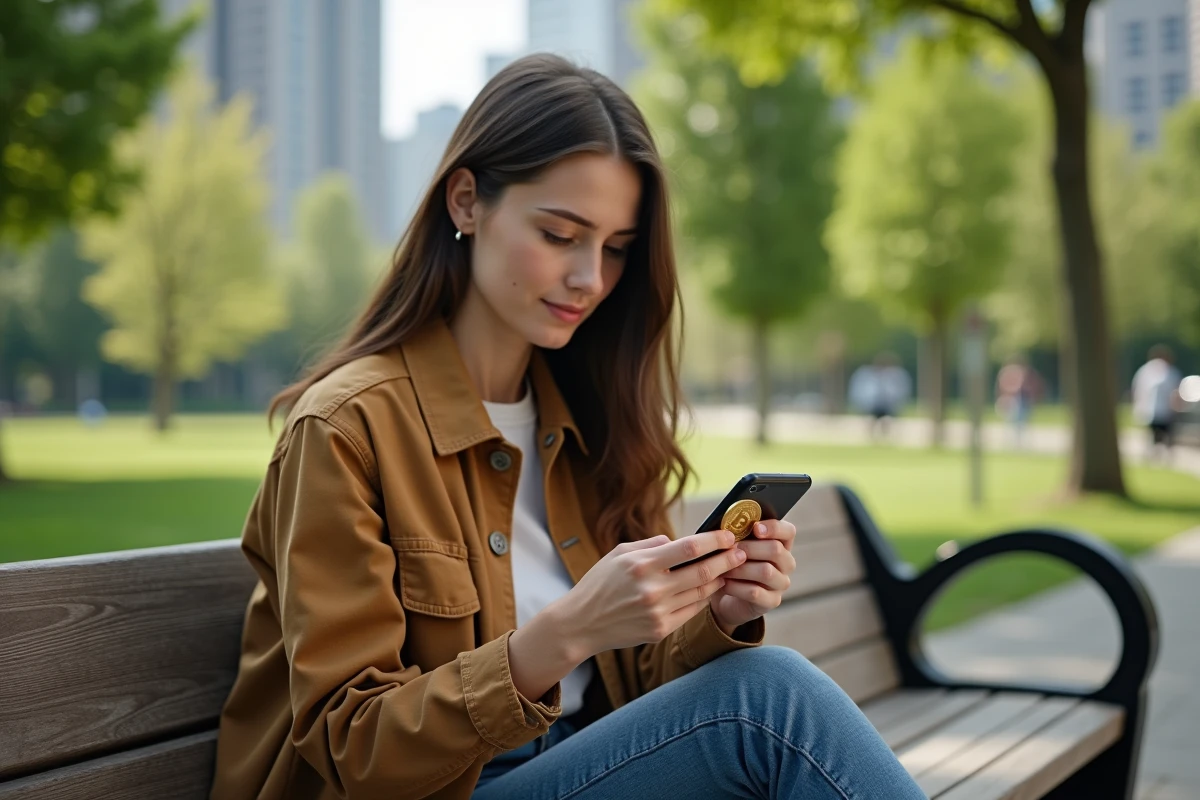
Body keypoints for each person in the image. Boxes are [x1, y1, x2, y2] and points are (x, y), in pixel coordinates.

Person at [209, 54, 925, 800]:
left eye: (616, 248)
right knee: (767, 705)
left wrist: (715, 613)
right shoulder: (348, 429)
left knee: (760, 690)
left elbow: (633, 692)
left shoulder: (586, 419)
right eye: (560, 235)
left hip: (575, 769)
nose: (591, 277)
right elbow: (354, 750)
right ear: (465, 202)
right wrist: (563, 634)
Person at [1132, 344, 1183, 461]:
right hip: (1160, 410)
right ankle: (1160, 456)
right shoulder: (1170, 372)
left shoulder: (1145, 371)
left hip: (1154, 410)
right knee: (1162, 435)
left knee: (1158, 435)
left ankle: (1157, 456)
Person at [848, 352, 911, 440]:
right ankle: (874, 437)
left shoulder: (894, 376)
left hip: (888, 404)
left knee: (887, 421)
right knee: (873, 421)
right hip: (875, 403)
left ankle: (885, 436)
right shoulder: (870, 375)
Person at [995, 355, 1043, 449]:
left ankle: (1019, 442)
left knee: (1020, 422)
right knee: (1013, 422)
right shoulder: (1010, 372)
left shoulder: (1021, 373)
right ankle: (1013, 442)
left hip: (1020, 400)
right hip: (1013, 400)